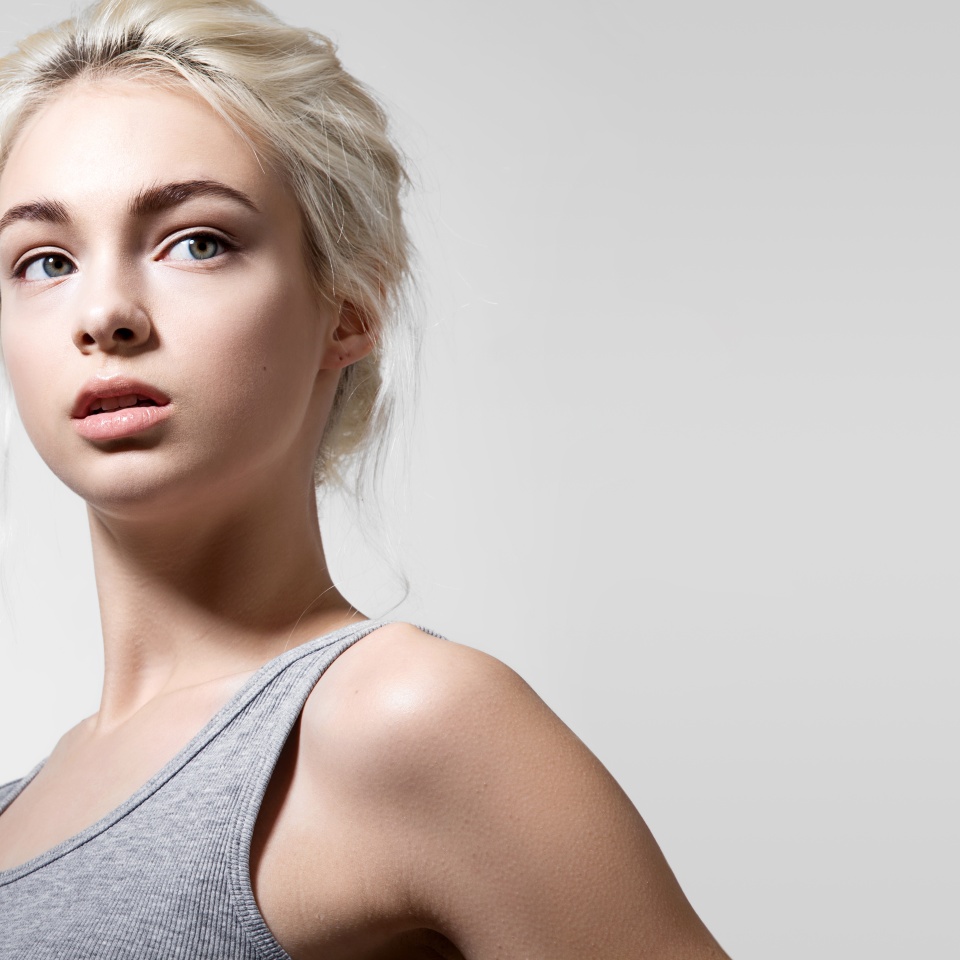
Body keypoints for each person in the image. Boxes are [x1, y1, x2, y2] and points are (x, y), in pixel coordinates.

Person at [0, 1, 731, 956]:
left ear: (345, 311)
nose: (103, 314)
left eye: (196, 240)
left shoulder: (408, 723)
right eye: (43, 260)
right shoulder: (18, 815)